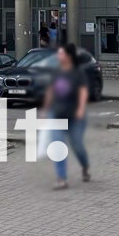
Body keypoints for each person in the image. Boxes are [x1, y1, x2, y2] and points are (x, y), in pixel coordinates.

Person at [44, 43, 89, 188]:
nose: (58, 56)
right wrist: (45, 109)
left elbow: (83, 91)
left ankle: (85, 165)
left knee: (77, 144)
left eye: (61, 53)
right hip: (57, 113)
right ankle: (61, 178)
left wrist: (81, 109)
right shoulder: (57, 72)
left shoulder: (78, 72)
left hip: (75, 115)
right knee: (58, 145)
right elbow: (50, 90)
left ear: (68, 56)